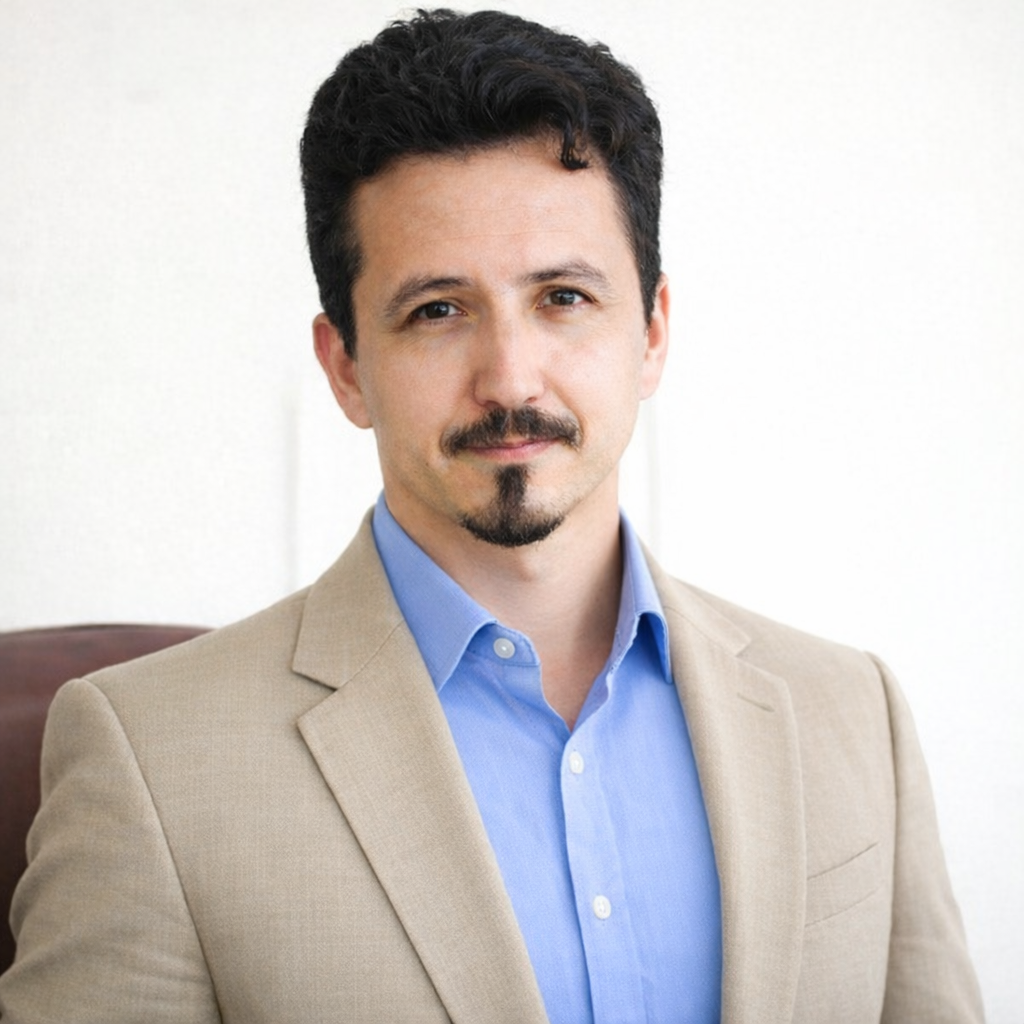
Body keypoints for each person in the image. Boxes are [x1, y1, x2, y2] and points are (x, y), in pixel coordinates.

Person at [0, 9, 983, 1024]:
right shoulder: (150, 755)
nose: (510, 378)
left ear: (651, 332)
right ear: (345, 367)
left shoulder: (851, 713)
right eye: (437, 310)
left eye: (563, 297)